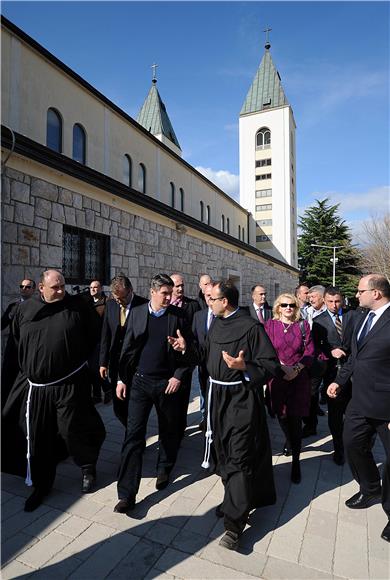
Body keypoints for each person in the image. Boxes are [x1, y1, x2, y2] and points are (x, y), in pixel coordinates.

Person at [2, 269, 106, 512]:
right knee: (38, 435)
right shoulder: (24, 311)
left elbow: (94, 340)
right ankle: (42, 484)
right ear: (41, 287)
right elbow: (17, 344)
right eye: (55, 287)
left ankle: (87, 466)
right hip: (37, 388)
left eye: (63, 286)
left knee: (72, 429)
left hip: (69, 385)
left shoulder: (78, 308)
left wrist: (94, 371)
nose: (61, 291)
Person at [193, 280, 283, 550]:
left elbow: (271, 366)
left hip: (241, 399)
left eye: (213, 299)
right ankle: (233, 498)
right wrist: (185, 348)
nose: (208, 302)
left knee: (238, 456)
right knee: (223, 453)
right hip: (216, 398)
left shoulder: (251, 328)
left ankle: (234, 524)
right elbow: (205, 355)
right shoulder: (217, 323)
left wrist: (245, 367)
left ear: (225, 302)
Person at [113, 274, 195, 514]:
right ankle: (127, 494)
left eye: (171, 293)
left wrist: (178, 374)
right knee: (133, 436)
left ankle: (164, 468)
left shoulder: (178, 317)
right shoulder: (137, 313)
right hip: (139, 382)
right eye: (165, 293)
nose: (170, 297)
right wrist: (121, 379)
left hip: (167, 384)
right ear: (152, 292)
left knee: (169, 429)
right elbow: (126, 349)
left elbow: (192, 353)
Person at [327, 274, 390, 544]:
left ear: (376, 293)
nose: (356, 294)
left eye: (360, 290)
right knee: (351, 442)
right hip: (359, 399)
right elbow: (355, 355)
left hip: (386, 405)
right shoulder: (363, 317)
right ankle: (370, 488)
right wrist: (339, 382)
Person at [264, 293, 315, 483]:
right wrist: (281, 367)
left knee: (295, 419)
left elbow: (309, 351)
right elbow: (265, 349)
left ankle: (296, 462)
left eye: (292, 305)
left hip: (298, 378)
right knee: (281, 415)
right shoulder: (270, 326)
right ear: (278, 307)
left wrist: (297, 368)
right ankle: (289, 440)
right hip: (277, 377)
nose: (288, 308)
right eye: (284, 305)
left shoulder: (303, 326)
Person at [311, 287, 361, 464]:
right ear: (324, 301)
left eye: (337, 301)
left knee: (353, 414)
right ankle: (338, 448)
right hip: (332, 374)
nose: (334, 305)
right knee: (335, 415)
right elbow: (315, 346)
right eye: (330, 301)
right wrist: (330, 351)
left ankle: (354, 446)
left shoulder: (354, 316)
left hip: (355, 373)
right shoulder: (318, 321)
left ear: (342, 300)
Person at [99, 274, 148, 426]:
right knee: (118, 405)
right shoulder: (111, 305)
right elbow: (105, 335)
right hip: (116, 364)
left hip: (136, 364)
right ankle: (128, 426)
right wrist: (103, 362)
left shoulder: (144, 305)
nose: (120, 301)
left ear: (131, 290)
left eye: (123, 298)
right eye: (116, 298)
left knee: (134, 403)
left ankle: (134, 435)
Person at [169, 273, 200, 437]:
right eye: (177, 286)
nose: (180, 288)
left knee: (182, 396)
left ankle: (179, 430)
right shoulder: (165, 306)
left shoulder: (192, 305)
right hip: (167, 360)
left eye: (182, 285)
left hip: (185, 359)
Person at [1, 278, 36, 406]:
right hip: (12, 348)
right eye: (22, 286)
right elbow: (2, 324)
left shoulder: (36, 306)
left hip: (28, 349)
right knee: (7, 378)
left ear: (33, 290)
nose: (24, 289)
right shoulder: (13, 306)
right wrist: (10, 316)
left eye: (27, 287)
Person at [302, 284, 328, 434]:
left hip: (324, 358)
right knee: (310, 392)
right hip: (310, 359)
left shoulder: (330, 313)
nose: (310, 299)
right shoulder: (305, 312)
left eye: (313, 297)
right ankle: (310, 425)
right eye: (309, 297)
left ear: (322, 298)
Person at [192, 283, 214, 429]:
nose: (210, 299)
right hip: (203, 366)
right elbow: (194, 339)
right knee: (205, 394)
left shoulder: (225, 317)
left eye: (213, 296)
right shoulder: (198, 316)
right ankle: (206, 420)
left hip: (221, 368)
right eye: (207, 296)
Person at [88, 280, 110, 404]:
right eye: (91, 287)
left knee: (97, 368)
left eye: (95, 287)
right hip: (90, 340)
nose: (93, 289)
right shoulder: (89, 302)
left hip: (100, 340)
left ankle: (107, 389)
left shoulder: (106, 303)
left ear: (101, 288)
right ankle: (97, 395)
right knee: (92, 369)